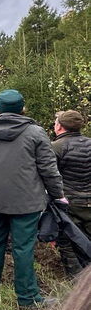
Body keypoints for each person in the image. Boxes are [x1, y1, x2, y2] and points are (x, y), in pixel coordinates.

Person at [0, 89, 66, 309]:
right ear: (22, 108)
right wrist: (58, 195)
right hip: (26, 203)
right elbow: (49, 169)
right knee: (23, 248)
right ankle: (28, 298)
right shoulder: (36, 133)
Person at [51, 110, 91, 278]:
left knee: (67, 243)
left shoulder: (56, 147)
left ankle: (76, 284)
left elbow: (50, 176)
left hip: (69, 204)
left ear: (59, 126)